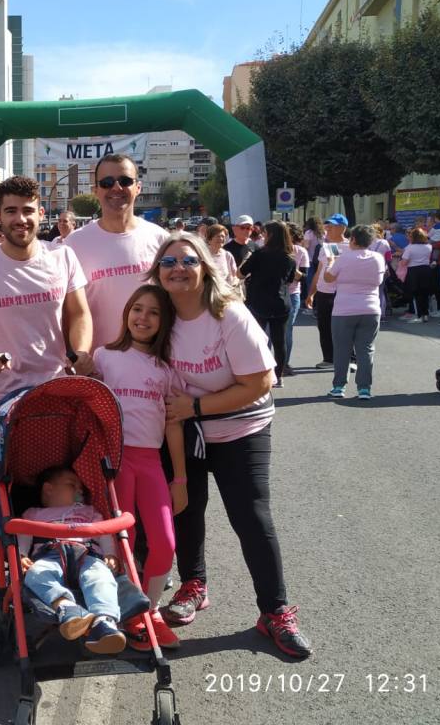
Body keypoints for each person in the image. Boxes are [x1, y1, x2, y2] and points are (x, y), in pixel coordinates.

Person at [152, 233, 311, 659]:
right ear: (158, 274)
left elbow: (260, 382)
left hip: (241, 426)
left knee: (252, 517)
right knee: (185, 507)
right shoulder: (160, 318)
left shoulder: (229, 315)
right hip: (188, 427)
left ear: (206, 266)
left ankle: (274, 611)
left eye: (188, 260)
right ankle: (193, 585)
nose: (178, 268)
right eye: (168, 263)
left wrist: (197, 405)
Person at [92, 284, 185, 651]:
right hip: (113, 463)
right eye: (137, 309)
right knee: (117, 543)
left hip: (151, 463)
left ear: (164, 323)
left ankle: (151, 609)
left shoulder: (166, 367)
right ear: (126, 312)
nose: (142, 318)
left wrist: (180, 477)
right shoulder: (103, 357)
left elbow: (172, 424)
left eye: (153, 313)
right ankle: (126, 613)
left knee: (164, 541)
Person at [0, 175, 94, 402]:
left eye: (28, 210)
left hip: (56, 387)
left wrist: (81, 352)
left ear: (41, 214)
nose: (20, 219)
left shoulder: (63, 256)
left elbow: (79, 313)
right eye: (11, 211)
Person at [60, 155, 168, 352]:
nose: (116, 188)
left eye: (125, 181)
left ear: (138, 187)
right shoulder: (72, 245)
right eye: (107, 182)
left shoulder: (161, 239)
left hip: (153, 363)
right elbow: (65, 312)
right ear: (96, 191)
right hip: (96, 368)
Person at [18, 466, 128, 654]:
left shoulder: (89, 512)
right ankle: (67, 608)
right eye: (72, 485)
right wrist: (21, 556)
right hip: (50, 554)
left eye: (81, 489)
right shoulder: (34, 514)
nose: (79, 490)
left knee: (101, 578)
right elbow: (23, 534)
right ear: (48, 489)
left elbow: (104, 532)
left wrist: (110, 554)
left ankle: (105, 622)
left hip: (86, 554)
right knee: (34, 574)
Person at [322, 225, 385, 399]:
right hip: (371, 308)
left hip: (344, 309)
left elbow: (328, 278)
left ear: (354, 240)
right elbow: (379, 280)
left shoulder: (343, 258)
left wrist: (331, 262)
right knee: (366, 349)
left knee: (342, 349)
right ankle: (364, 388)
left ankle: (339, 387)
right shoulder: (378, 258)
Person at [238, 221, 297, 387]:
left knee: (256, 339)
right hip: (281, 302)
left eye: (265, 233)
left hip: (259, 302)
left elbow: (240, 274)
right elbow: (290, 280)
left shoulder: (259, 254)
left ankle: (258, 374)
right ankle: (279, 376)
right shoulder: (289, 258)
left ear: (270, 235)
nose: (263, 236)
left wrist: (248, 258)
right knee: (279, 341)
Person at [305, 213, 348, 368]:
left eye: (331, 226)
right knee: (324, 326)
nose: (327, 229)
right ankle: (329, 358)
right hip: (324, 292)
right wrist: (311, 293)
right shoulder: (326, 247)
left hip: (342, 292)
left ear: (342, 228)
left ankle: (350, 358)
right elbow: (319, 271)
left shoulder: (351, 246)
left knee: (344, 327)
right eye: (326, 226)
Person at [283, 224, 310, 376]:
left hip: (292, 294)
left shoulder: (301, 252)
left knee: (287, 329)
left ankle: (284, 364)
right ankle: (265, 364)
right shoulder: (274, 251)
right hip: (272, 293)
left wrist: (291, 264)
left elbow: (304, 277)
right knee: (266, 331)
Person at [400, 228, 435, 323]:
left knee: (416, 294)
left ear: (413, 237)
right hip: (426, 270)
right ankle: (426, 315)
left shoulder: (409, 247)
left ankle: (419, 316)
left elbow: (404, 262)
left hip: (414, 271)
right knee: (425, 293)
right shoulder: (429, 246)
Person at [205, 224, 238, 288]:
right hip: (208, 293)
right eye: (218, 236)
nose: (221, 238)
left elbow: (235, 276)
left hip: (226, 293)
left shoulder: (227, 255)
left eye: (223, 236)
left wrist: (234, 283)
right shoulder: (203, 256)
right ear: (209, 239)